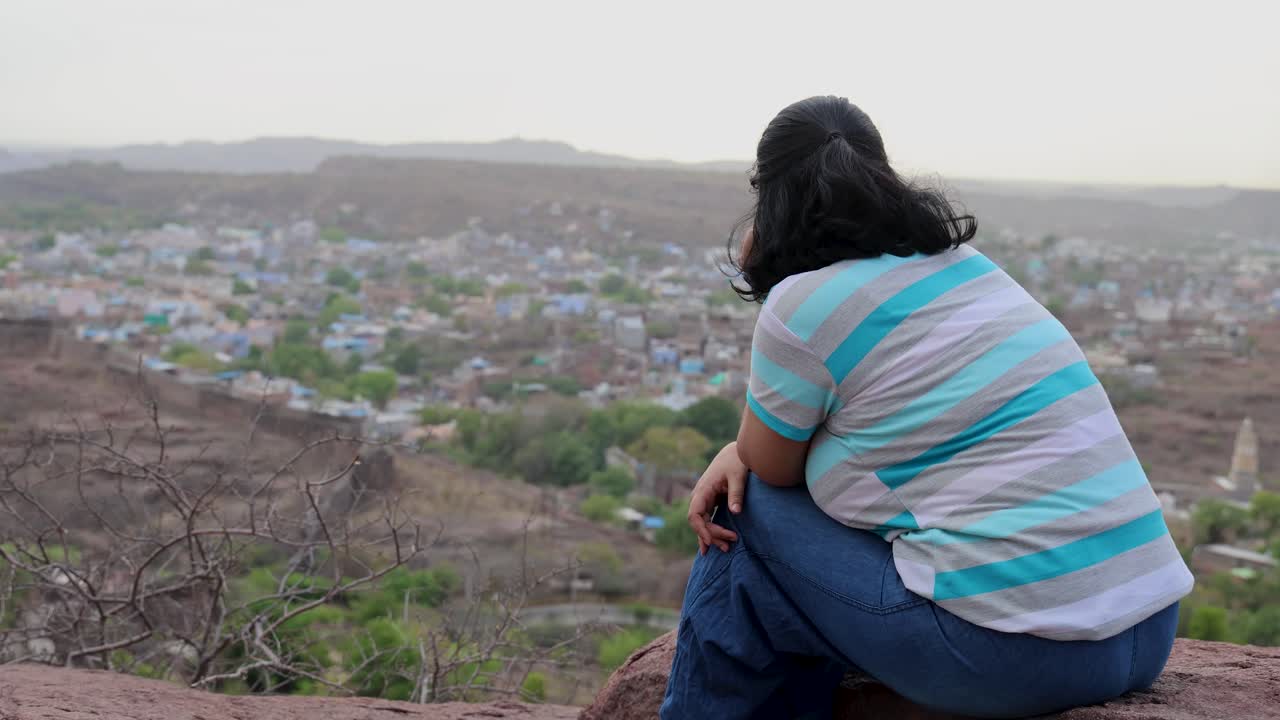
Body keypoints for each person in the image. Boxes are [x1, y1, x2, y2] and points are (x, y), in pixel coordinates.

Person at [661, 96, 1193, 719]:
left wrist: (735, 449)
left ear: (768, 197)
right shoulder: (968, 269)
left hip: (1017, 657)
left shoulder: (804, 303)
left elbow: (769, 469)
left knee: (740, 508)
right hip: (1145, 634)